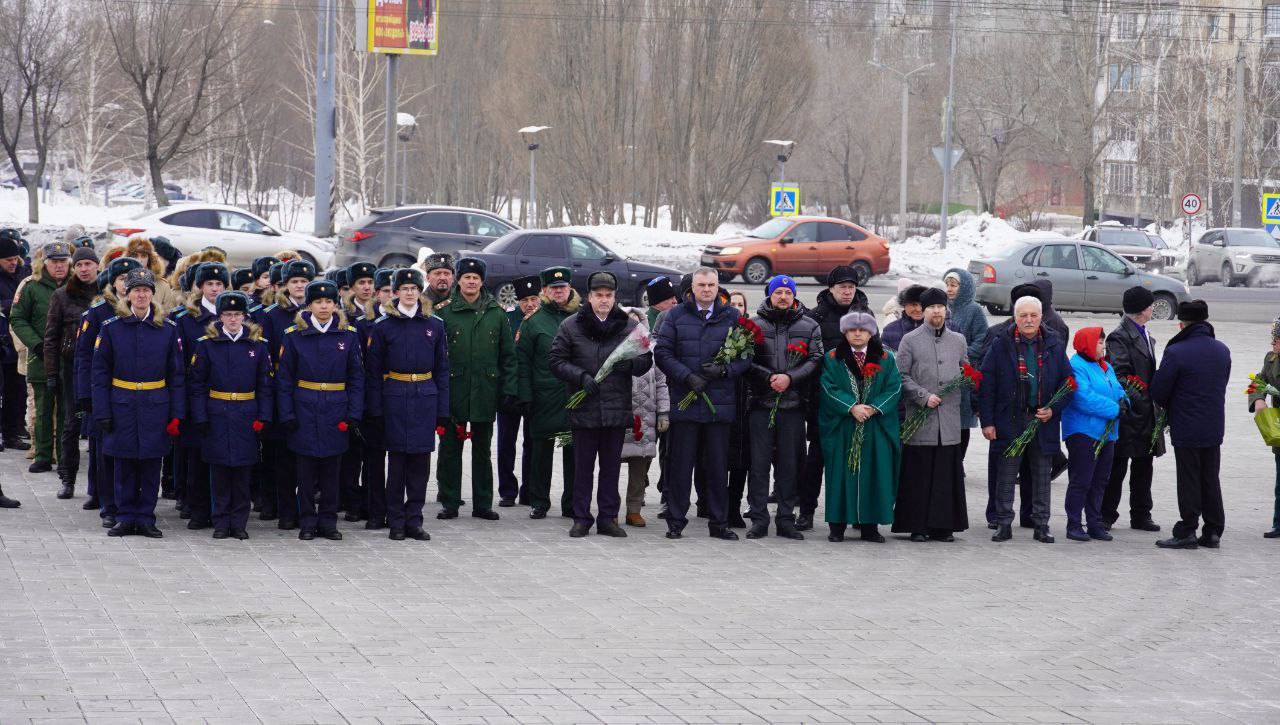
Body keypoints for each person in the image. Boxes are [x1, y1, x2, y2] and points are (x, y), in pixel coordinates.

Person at [549, 271, 653, 538]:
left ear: (615, 297)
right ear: (590, 297)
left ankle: (608, 518)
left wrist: (629, 363)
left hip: (616, 408)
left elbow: (645, 360)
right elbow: (556, 361)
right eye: (599, 296)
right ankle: (581, 517)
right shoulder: (572, 325)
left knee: (610, 468)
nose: (604, 300)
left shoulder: (628, 326)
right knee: (582, 468)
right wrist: (581, 377)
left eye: (609, 296)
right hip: (584, 408)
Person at [653, 267, 750, 540]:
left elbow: (746, 355)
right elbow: (662, 352)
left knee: (718, 468)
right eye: (701, 285)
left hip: (719, 405)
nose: (706, 289)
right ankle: (675, 521)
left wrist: (723, 371)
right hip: (685, 403)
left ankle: (719, 523)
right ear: (692, 288)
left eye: (711, 285)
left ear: (718, 287)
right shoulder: (675, 315)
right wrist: (687, 376)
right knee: (680, 466)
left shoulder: (732, 316)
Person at [91, 268, 185, 538]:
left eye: (146, 290)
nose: (141, 295)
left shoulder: (167, 329)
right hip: (121, 403)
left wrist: (176, 413)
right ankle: (124, 515)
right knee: (124, 464)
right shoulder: (112, 328)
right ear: (127, 294)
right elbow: (99, 374)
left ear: (152, 295)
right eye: (136, 290)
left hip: (156, 404)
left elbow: (177, 374)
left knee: (150, 464)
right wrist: (102, 411)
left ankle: (145, 516)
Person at [364, 268, 450, 542]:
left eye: (414, 288)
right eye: (404, 289)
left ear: (419, 292)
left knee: (420, 466)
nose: (410, 293)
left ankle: (415, 520)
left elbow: (442, 370)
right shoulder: (383, 326)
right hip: (395, 396)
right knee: (397, 463)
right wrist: (375, 410)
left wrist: (443, 410)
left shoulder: (434, 325)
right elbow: (373, 373)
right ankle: (396, 521)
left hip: (425, 395)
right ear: (396, 292)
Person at [276, 279, 365, 541]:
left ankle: (328, 522)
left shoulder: (348, 335)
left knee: (331, 470)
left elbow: (357, 377)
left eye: (328, 302)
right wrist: (287, 414)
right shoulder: (294, 335)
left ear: (335, 304)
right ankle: (306, 521)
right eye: (318, 302)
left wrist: (354, 413)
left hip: (336, 408)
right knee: (305, 471)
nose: (324, 307)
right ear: (310, 305)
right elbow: (284, 379)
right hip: (305, 406)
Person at [980, 295, 1072, 544]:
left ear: (1041, 317)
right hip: (1010, 421)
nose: (1029, 320)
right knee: (1006, 476)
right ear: (1015, 317)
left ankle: (1042, 525)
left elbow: (1069, 383)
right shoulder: (1001, 344)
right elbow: (987, 384)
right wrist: (987, 422)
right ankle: (1003, 524)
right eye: (1023, 315)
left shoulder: (1053, 343)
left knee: (1042, 477)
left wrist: (1054, 410)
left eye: (1033, 315)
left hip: (1043, 421)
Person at [433, 257, 517, 521]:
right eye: (466, 277)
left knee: (482, 450)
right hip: (453, 391)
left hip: (485, 391)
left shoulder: (496, 313)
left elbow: (508, 356)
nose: (471, 281)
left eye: (476, 277)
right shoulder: (444, 312)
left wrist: (508, 390)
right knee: (450, 449)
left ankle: (483, 503)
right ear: (458, 280)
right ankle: (450, 501)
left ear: (482, 281)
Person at [187, 291, 272, 540]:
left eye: (237, 315)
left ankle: (239, 522)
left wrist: (263, 417)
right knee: (220, 471)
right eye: (227, 314)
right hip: (217, 412)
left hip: (246, 413)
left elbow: (266, 385)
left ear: (245, 316)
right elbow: (197, 384)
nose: (233, 319)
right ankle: (221, 521)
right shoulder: (207, 344)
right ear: (219, 316)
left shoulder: (256, 345)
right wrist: (200, 415)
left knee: (243, 472)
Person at [743, 275, 822, 540]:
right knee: (758, 465)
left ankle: (786, 518)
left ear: (795, 296)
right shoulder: (752, 325)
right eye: (779, 293)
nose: (783, 297)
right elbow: (744, 360)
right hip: (761, 403)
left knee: (790, 465)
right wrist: (768, 377)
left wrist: (790, 378)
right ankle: (759, 519)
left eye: (788, 293)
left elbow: (815, 359)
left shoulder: (809, 326)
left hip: (793, 405)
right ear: (770, 295)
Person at [1150, 300, 1231, 549]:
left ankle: (1187, 529)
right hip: (1214, 424)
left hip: (1186, 424)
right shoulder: (1222, 350)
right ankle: (1213, 530)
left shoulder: (1177, 351)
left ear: (1181, 323)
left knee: (1189, 478)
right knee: (1210, 477)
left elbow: (1159, 390)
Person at [797, 264, 871, 531]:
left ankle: (857, 513)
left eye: (852, 287)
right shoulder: (815, 316)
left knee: (856, 458)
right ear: (831, 289)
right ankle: (806, 511)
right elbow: (811, 358)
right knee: (816, 459)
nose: (848, 291)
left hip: (859, 402)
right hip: (824, 400)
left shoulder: (865, 314)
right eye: (843, 287)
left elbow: (875, 354)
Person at [818, 311, 901, 543]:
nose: (857, 333)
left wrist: (873, 408)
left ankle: (869, 527)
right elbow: (828, 387)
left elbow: (894, 387)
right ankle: (837, 526)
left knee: (874, 474)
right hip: (844, 426)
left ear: (871, 333)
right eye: (852, 330)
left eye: (862, 330)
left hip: (875, 426)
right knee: (840, 475)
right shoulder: (833, 357)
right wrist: (852, 407)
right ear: (845, 332)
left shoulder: (885, 358)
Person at [894, 287, 969, 542]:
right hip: (921, 418)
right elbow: (901, 376)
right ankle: (918, 525)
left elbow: (966, 368)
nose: (936, 311)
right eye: (931, 307)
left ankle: (943, 526)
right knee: (920, 474)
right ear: (923, 311)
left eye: (940, 306)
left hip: (948, 419)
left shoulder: (958, 340)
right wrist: (923, 396)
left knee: (946, 474)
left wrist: (964, 379)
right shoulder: (910, 340)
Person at [75, 257, 142, 527]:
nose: (126, 284)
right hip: (105, 392)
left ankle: (129, 501)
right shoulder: (99, 312)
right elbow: (85, 358)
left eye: (131, 279)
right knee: (104, 451)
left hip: (133, 395)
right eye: (122, 279)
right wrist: (86, 396)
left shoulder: (143, 310)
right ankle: (108, 504)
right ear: (113, 282)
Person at [255, 258, 315, 530]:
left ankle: (302, 506)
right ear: (285, 286)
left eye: (304, 282)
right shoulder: (271, 314)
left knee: (303, 452)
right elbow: (265, 356)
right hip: (281, 386)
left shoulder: (317, 310)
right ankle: (275, 503)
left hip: (308, 389)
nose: (300, 286)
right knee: (277, 452)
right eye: (295, 282)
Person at [516, 267, 579, 519]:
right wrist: (525, 396)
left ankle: (572, 502)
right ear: (545, 291)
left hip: (573, 399)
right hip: (544, 400)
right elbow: (523, 363)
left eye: (562, 287)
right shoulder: (533, 321)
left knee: (571, 452)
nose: (558, 292)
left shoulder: (582, 317)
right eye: (553, 288)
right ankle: (539, 501)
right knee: (541, 453)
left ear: (570, 288)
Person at [171, 262, 229, 530]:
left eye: (219, 284)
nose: (214, 289)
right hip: (197, 395)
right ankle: (198, 509)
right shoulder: (185, 318)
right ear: (200, 287)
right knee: (196, 455)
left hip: (227, 397)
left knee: (223, 456)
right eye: (209, 284)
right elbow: (179, 363)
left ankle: (222, 509)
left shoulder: (236, 314)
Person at [1102, 286, 1164, 532]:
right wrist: (1142, 399)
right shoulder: (1119, 336)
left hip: (1146, 413)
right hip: (1130, 413)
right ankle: (1106, 514)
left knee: (1144, 465)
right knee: (1118, 466)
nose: (1152, 309)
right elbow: (1120, 375)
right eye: (1150, 305)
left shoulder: (1143, 332)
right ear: (1142, 309)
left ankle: (1141, 514)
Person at [43, 245, 99, 499]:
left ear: (97, 265)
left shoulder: (107, 293)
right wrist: (52, 373)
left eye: (88, 264)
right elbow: (51, 338)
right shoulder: (62, 295)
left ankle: (99, 484)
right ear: (73, 268)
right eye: (79, 265)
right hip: (72, 366)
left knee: (100, 424)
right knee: (71, 424)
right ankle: (68, 477)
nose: (84, 269)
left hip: (102, 367)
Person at [11, 241, 71, 476]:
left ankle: (65, 456)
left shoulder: (77, 286)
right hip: (41, 356)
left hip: (69, 357)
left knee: (67, 408)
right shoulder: (31, 286)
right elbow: (17, 319)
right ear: (44, 263)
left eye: (63, 262)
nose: (59, 266)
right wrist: (36, 343)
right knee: (43, 409)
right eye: (54, 262)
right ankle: (43, 455)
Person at [1060, 326, 1124, 543]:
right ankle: (1074, 523)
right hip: (1083, 432)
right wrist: (1116, 409)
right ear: (1087, 343)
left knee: (1100, 481)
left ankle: (1094, 523)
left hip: (1107, 434)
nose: (1103, 346)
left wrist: (1126, 400)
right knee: (1082, 479)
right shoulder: (1076, 366)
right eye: (1099, 342)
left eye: (1103, 342)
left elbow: (1118, 389)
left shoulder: (1105, 367)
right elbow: (1083, 398)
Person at [619, 303, 667, 527]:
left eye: (637, 323)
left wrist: (663, 413)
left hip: (644, 418)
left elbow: (661, 383)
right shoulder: (614, 348)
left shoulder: (652, 350)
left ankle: (634, 509)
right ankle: (609, 509)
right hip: (618, 415)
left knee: (640, 466)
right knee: (610, 464)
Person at [498, 274, 540, 507]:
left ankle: (529, 490)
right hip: (510, 391)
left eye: (534, 298)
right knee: (506, 442)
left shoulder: (543, 319)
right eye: (525, 300)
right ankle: (507, 490)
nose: (530, 304)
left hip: (534, 392)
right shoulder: (507, 318)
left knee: (532, 443)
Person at [943, 268, 988, 464]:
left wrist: (964, 353)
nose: (949, 289)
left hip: (965, 372)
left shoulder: (974, 310)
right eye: (947, 285)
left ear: (965, 287)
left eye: (954, 285)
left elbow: (982, 337)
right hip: (943, 370)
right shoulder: (942, 307)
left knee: (962, 422)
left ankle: (957, 462)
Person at [0, 229, 31, 451]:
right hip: (2, 341)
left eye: (15, 259)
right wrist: (14, 303)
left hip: (16, 343)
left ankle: (14, 430)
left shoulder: (21, 274)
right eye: (8, 260)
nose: (13, 263)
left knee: (17, 389)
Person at [724, 290, 751, 527]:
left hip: (747, 409)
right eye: (732, 304)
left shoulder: (751, 333)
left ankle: (735, 507)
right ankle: (718, 506)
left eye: (740, 304)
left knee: (742, 463)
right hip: (723, 405)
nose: (736, 307)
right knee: (720, 461)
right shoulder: (721, 329)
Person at [1252, 317, 1280, 539]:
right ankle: (1278, 523)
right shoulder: (1271, 359)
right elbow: (1257, 381)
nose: (1272, 344)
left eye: (1276, 339)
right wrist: (1259, 398)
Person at [124, 237, 179, 310]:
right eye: (135, 256)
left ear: (149, 259)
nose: (139, 260)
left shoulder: (163, 285)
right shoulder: (120, 282)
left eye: (143, 256)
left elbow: (168, 314)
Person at [880, 284, 925, 350]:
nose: (918, 309)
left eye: (922, 304)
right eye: (913, 305)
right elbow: (885, 357)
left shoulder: (938, 329)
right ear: (904, 305)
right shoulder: (890, 330)